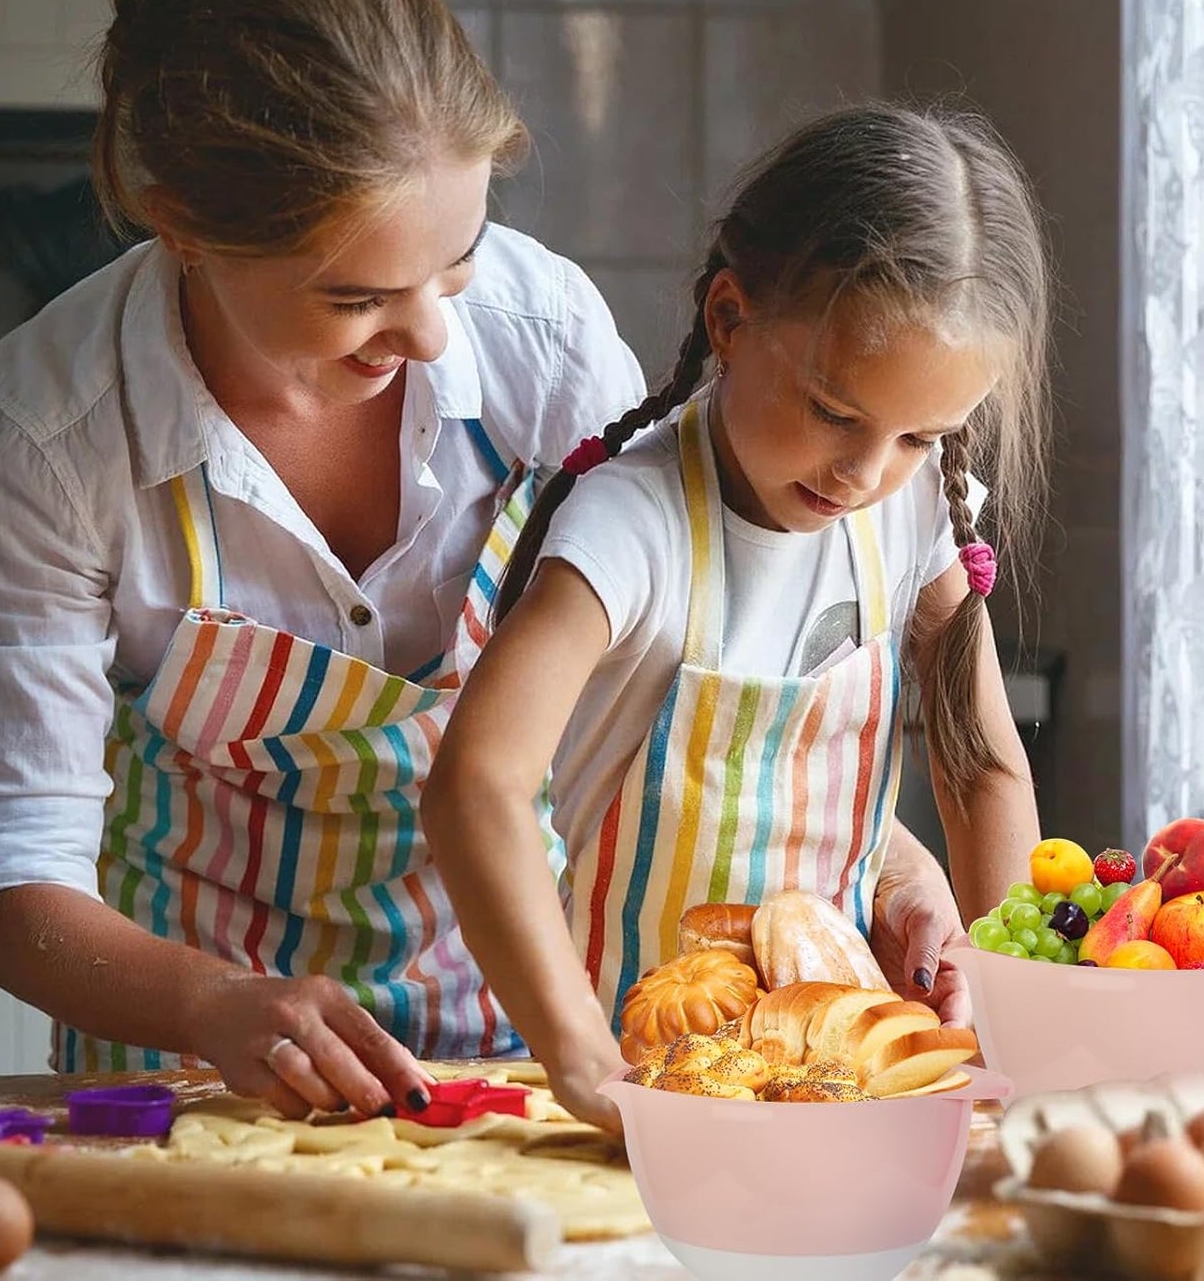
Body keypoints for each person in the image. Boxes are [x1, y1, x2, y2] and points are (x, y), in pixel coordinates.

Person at [0, 0, 968, 1123]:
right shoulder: (47, 435)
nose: (432, 336)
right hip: (200, 1070)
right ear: (180, 223)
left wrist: (881, 866)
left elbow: (687, 676)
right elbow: (19, 884)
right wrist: (209, 1002)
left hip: (532, 1035)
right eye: (357, 297)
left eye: (452, 267)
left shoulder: (540, 337)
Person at [423, 102, 1052, 1131]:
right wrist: (584, 1065)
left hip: (831, 1081)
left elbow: (979, 764)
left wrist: (1006, 1002)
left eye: (917, 436)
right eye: (835, 413)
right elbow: (475, 783)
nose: (864, 473)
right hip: (635, 1095)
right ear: (728, 317)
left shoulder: (907, 512)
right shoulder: (631, 523)